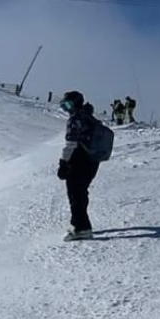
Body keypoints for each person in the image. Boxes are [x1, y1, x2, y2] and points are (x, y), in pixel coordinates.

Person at [57, 91, 101, 241]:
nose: (66, 109)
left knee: (75, 193)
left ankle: (82, 228)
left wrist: (64, 163)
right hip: (93, 160)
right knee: (81, 192)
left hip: (80, 159)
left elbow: (71, 144)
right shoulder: (89, 116)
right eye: (63, 106)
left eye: (68, 105)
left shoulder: (76, 118)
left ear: (75, 103)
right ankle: (80, 222)